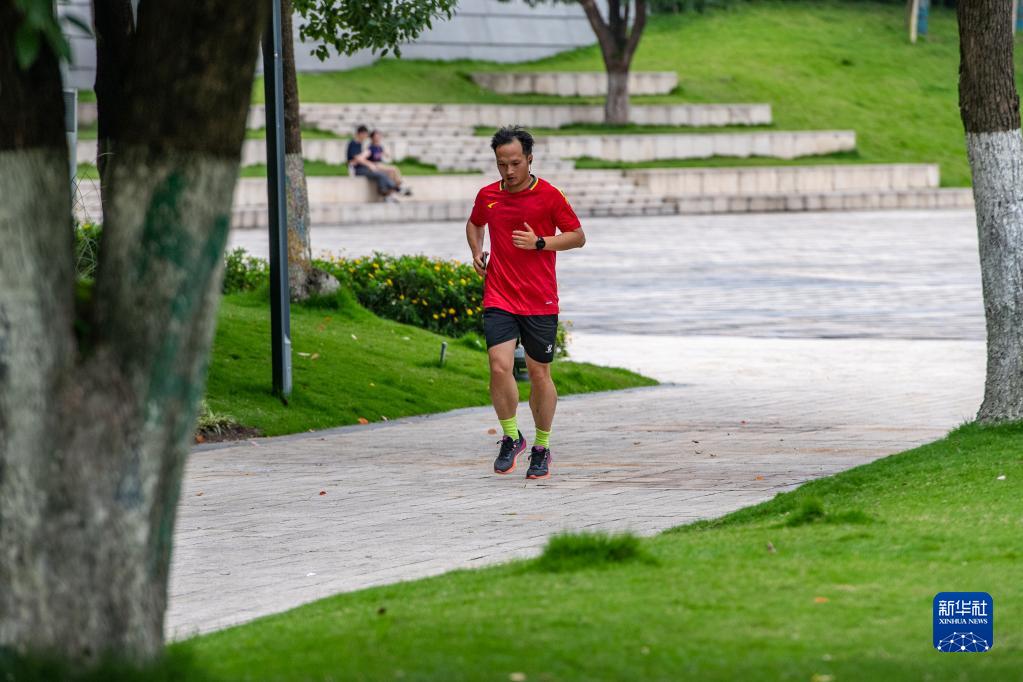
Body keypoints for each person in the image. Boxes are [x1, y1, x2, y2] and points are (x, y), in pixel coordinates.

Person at [466, 125, 586, 480]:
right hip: (499, 294)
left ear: (530, 159)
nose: (508, 171)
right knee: (498, 365)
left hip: (539, 299)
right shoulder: (488, 195)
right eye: (502, 164)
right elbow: (475, 224)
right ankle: (511, 436)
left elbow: (577, 237)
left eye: (515, 163)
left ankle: (542, 447)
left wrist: (540, 243)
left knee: (539, 374)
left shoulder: (549, 195)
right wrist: (476, 251)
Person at [346, 125, 399, 200]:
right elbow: (357, 159)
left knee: (384, 173)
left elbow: (359, 159)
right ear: (361, 134)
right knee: (381, 174)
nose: (366, 137)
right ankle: (395, 189)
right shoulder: (354, 143)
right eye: (365, 135)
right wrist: (369, 164)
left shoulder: (360, 144)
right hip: (357, 169)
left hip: (362, 167)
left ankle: (389, 193)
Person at [368, 130, 411, 196]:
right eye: (376, 136)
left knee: (391, 174)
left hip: (380, 164)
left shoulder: (379, 147)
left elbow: (384, 154)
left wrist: (385, 154)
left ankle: (391, 193)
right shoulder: (371, 147)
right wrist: (380, 154)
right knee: (394, 169)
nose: (378, 138)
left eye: (379, 136)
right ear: (372, 138)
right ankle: (400, 186)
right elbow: (373, 157)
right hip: (375, 165)